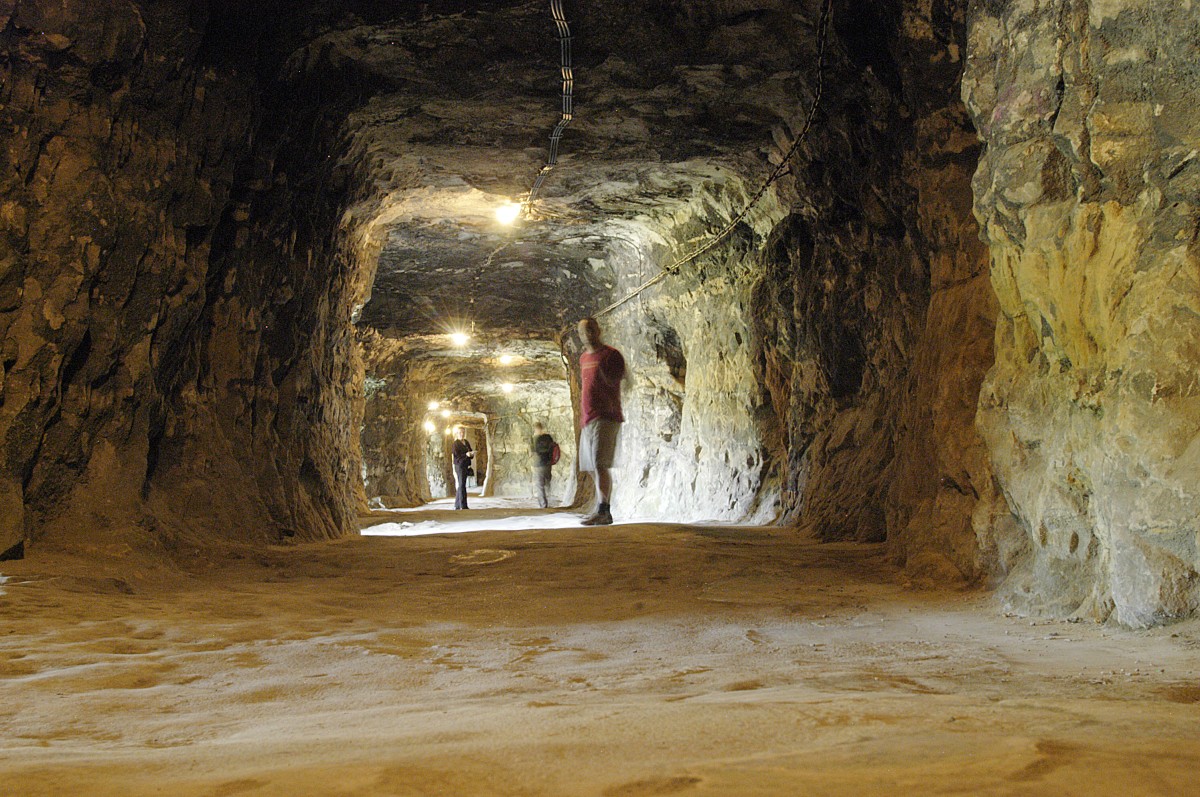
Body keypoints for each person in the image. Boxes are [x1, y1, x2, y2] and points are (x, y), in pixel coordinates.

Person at [576, 317, 625, 525]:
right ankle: (600, 507)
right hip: (588, 418)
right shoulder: (583, 358)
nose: (587, 334)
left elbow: (616, 379)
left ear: (599, 330)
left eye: (590, 329)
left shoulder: (610, 355)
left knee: (599, 464)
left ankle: (604, 510)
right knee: (590, 465)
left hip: (605, 416)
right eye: (582, 331)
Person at [531, 422, 557, 509]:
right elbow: (553, 448)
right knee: (547, 482)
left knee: (539, 485)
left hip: (539, 464)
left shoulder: (535, 438)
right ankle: (549, 501)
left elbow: (532, 452)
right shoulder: (548, 437)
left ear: (536, 429)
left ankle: (543, 505)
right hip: (548, 464)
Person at [451, 426, 475, 510]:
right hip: (459, 466)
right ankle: (463, 505)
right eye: (460, 432)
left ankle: (457, 505)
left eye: (463, 432)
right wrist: (466, 455)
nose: (462, 434)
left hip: (465, 465)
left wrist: (471, 454)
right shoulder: (455, 444)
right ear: (457, 434)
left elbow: (470, 451)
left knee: (461, 484)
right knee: (462, 485)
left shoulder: (466, 442)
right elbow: (456, 456)